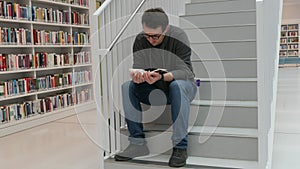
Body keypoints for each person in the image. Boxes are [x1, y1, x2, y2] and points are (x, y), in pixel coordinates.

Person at [115, 8, 197, 167]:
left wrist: (162, 76)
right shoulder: (140, 40)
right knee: (127, 87)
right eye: (147, 35)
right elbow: (138, 66)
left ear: (166, 29)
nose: (150, 40)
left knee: (177, 86)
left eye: (156, 36)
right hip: (154, 88)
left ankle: (180, 147)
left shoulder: (179, 36)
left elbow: (186, 71)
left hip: (181, 86)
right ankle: (137, 144)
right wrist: (139, 76)